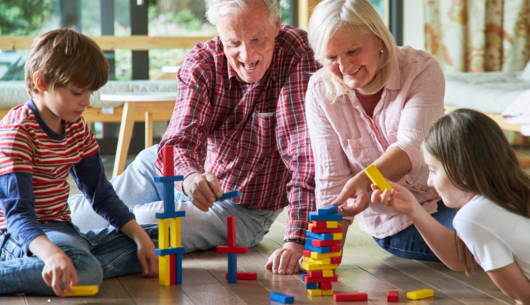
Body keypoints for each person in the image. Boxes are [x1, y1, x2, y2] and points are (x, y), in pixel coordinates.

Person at [69, 0, 319, 275]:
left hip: (240, 208)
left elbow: (304, 155)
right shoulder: (203, 61)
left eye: (257, 39)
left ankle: (61, 252)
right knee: (78, 215)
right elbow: (178, 141)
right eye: (233, 42)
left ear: (276, 23)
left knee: (142, 221)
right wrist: (189, 177)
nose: (247, 55)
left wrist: (297, 239)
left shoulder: (298, 52)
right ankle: (20, 226)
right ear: (219, 33)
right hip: (177, 173)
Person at [0, 28, 158, 296]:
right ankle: (70, 266)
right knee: (86, 271)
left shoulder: (77, 127)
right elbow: (18, 216)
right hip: (20, 235)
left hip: (63, 229)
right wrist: (51, 253)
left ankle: (71, 265)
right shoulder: (17, 133)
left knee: (156, 238)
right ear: (41, 82)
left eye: (90, 92)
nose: (86, 101)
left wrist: (140, 237)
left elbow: (101, 195)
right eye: (77, 92)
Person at [305, 0, 451, 261]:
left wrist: (362, 180)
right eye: (331, 58)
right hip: (398, 222)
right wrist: (325, 258)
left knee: (506, 223)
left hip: (452, 196)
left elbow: (411, 147)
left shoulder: (420, 70)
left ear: (379, 39)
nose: (345, 66)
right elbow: (331, 180)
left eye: (353, 51)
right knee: (487, 239)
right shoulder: (319, 92)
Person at [372, 109, 530, 304]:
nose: (429, 181)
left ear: (460, 170)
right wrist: (413, 208)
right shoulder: (515, 192)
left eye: (432, 170)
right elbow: (459, 259)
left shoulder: (473, 216)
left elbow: (524, 296)